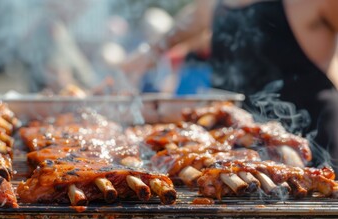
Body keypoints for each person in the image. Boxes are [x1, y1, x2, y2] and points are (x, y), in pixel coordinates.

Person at [120, 0, 338, 167]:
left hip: (318, 142)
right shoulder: (215, 3)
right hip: (239, 149)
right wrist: (151, 52)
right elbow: (193, 18)